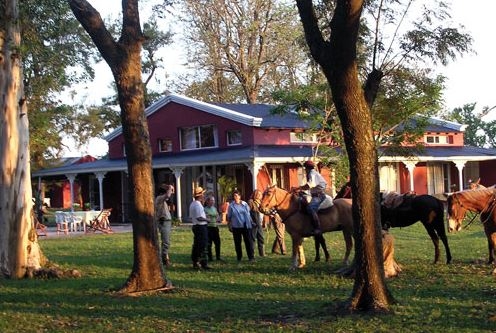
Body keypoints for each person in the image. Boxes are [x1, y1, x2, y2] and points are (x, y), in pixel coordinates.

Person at [297, 160, 327, 235]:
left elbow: (309, 185)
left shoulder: (312, 173)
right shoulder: (312, 173)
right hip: (314, 194)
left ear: (307, 168)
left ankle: (317, 228)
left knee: (310, 208)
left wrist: (299, 188)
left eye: (305, 168)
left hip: (319, 196)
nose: (305, 170)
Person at [227, 190, 255, 262]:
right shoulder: (231, 206)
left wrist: (252, 222)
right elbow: (229, 217)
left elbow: (248, 214)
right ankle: (239, 257)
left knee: (248, 242)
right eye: (234, 196)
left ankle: (251, 257)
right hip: (236, 226)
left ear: (240, 196)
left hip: (246, 225)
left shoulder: (245, 204)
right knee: (237, 243)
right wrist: (229, 225)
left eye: (237, 195)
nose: (236, 197)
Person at [189, 186, 212, 270]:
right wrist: (207, 219)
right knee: (202, 245)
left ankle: (196, 261)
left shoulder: (193, 204)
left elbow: (193, 217)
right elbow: (199, 217)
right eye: (203, 194)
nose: (204, 196)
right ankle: (202, 262)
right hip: (200, 226)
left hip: (196, 226)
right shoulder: (198, 205)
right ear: (200, 196)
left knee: (197, 244)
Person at [155, 184, 174, 267]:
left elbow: (170, 194)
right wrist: (169, 188)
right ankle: (164, 259)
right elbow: (168, 194)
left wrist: (170, 188)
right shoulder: (159, 198)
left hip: (166, 221)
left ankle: (165, 257)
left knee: (166, 241)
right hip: (163, 221)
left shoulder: (163, 200)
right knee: (165, 242)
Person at [204, 194, 224, 262]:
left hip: (215, 227)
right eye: (211, 200)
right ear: (207, 201)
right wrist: (213, 216)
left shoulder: (214, 208)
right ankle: (210, 257)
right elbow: (206, 217)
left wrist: (214, 216)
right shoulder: (205, 209)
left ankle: (218, 256)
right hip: (208, 228)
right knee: (209, 243)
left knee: (218, 243)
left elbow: (218, 217)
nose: (213, 202)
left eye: (214, 201)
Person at [248, 189, 265, 257]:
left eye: (261, 194)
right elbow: (248, 213)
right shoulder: (251, 202)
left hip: (259, 223)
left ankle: (262, 254)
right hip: (254, 224)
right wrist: (251, 222)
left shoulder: (261, 202)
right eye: (259, 194)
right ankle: (252, 254)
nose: (260, 196)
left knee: (261, 238)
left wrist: (264, 222)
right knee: (252, 239)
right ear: (255, 195)